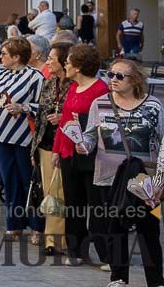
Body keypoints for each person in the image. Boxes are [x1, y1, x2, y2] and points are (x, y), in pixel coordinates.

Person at [77, 60, 164, 286]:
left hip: (145, 180)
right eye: (110, 74)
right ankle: (118, 278)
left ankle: (155, 281)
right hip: (108, 177)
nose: (113, 79)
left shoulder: (153, 105)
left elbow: (163, 142)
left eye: (119, 76)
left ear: (134, 80)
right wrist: (83, 144)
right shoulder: (100, 103)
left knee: (149, 232)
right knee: (115, 230)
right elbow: (90, 135)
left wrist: (161, 181)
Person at [0, 37, 44, 241]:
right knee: (9, 181)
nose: (0, 57)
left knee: (28, 181)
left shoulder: (35, 77)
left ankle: (36, 226)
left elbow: (43, 106)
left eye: (4, 54)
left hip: (24, 137)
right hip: (0, 135)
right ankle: (14, 225)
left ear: (16, 57)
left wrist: (23, 107)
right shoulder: (0, 75)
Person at [51, 43, 109, 265]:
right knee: (73, 204)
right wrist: (57, 149)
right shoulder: (73, 87)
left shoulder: (101, 90)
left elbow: (103, 126)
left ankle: (106, 255)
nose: (66, 63)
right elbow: (64, 121)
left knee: (96, 206)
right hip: (69, 153)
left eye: (69, 61)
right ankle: (76, 251)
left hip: (92, 155)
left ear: (79, 66)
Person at [33, 41, 71, 254]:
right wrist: (34, 149)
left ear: (64, 62)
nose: (47, 61)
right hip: (45, 144)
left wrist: (62, 117)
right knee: (50, 193)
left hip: (65, 146)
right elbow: (39, 117)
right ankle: (52, 240)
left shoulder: (74, 85)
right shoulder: (49, 83)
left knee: (62, 193)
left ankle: (61, 241)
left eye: (51, 58)